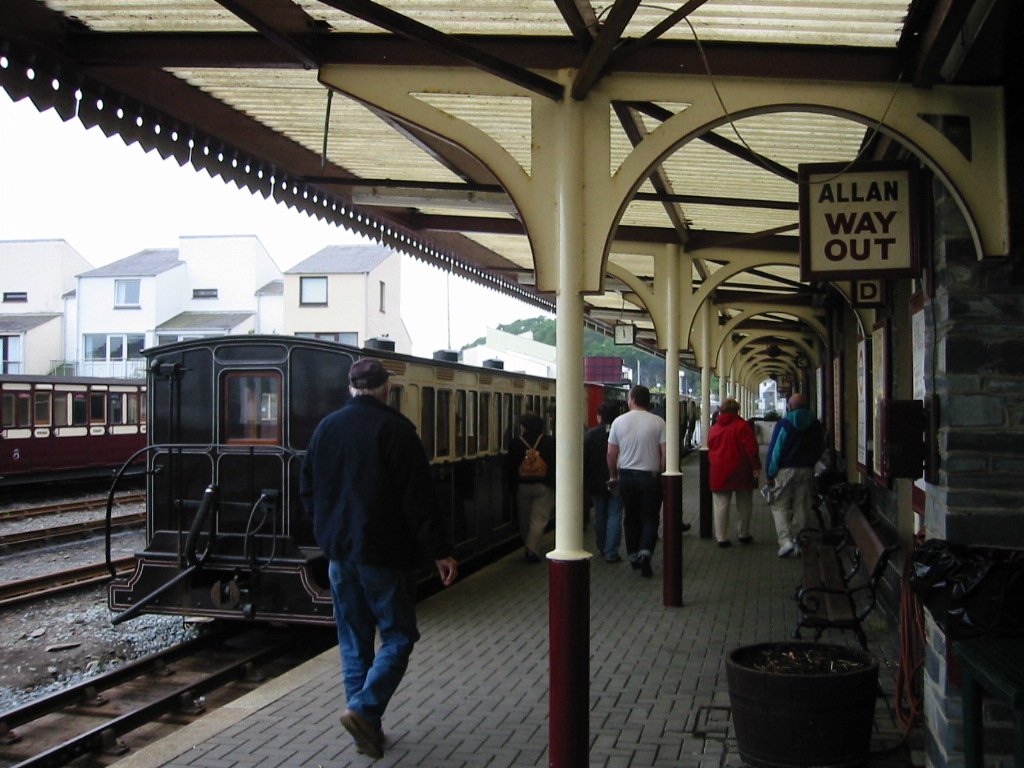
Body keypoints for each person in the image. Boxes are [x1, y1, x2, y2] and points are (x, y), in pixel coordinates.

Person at [300, 357, 458, 759]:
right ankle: (364, 710)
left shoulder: (326, 429)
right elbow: (418, 500)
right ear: (386, 388)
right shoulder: (397, 430)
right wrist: (440, 551)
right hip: (385, 555)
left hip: (339, 555)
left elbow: (307, 489)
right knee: (399, 635)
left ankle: (365, 732)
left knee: (353, 641)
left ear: (351, 388)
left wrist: (327, 532)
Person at [607, 385, 688, 578]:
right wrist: (660, 472)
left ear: (632, 399)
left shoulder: (619, 422)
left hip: (626, 476)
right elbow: (665, 452)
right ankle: (645, 553)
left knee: (631, 518)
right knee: (650, 517)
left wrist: (613, 476)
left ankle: (633, 556)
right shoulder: (659, 422)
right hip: (650, 477)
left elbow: (611, 453)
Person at [764, 392, 825, 558]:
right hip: (806, 470)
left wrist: (769, 473)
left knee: (779, 505)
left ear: (789, 407)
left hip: (784, 470)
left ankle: (785, 542)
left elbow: (776, 450)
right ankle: (800, 539)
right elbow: (820, 446)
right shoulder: (816, 424)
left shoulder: (784, 423)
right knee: (803, 506)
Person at [707, 398, 761, 548]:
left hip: (719, 471)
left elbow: (710, 447)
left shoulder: (714, 428)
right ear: (737, 410)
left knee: (720, 505)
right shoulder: (743, 426)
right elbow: (752, 449)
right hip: (741, 470)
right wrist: (756, 467)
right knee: (744, 504)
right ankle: (743, 534)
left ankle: (721, 538)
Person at [506, 411, 556, 563]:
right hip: (543, 485)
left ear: (524, 427)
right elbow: (554, 464)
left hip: (522, 486)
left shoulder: (515, 443)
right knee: (539, 519)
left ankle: (528, 547)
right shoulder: (549, 441)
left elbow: (510, 467)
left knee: (524, 519)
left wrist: (512, 487)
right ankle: (532, 549)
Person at [584, 402, 624, 563]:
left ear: (599, 417)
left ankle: (601, 546)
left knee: (600, 515)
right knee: (615, 515)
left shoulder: (591, 435)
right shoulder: (621, 433)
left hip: (596, 482)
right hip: (617, 479)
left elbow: (584, 460)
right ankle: (611, 551)